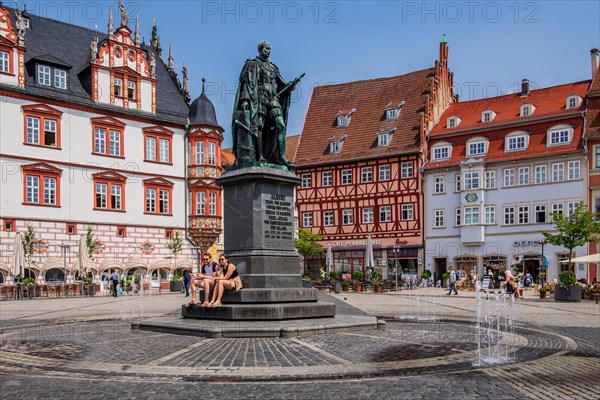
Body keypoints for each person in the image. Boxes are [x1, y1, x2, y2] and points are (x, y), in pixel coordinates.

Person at [231, 41, 303, 168]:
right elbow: (246, 85)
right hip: (259, 99)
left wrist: (290, 86)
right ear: (260, 49)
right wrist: (245, 101)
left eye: (270, 49)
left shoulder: (273, 67)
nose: (268, 51)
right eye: (266, 49)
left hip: (273, 99)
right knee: (259, 127)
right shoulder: (252, 64)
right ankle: (260, 156)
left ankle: (281, 158)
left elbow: (281, 85)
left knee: (280, 125)